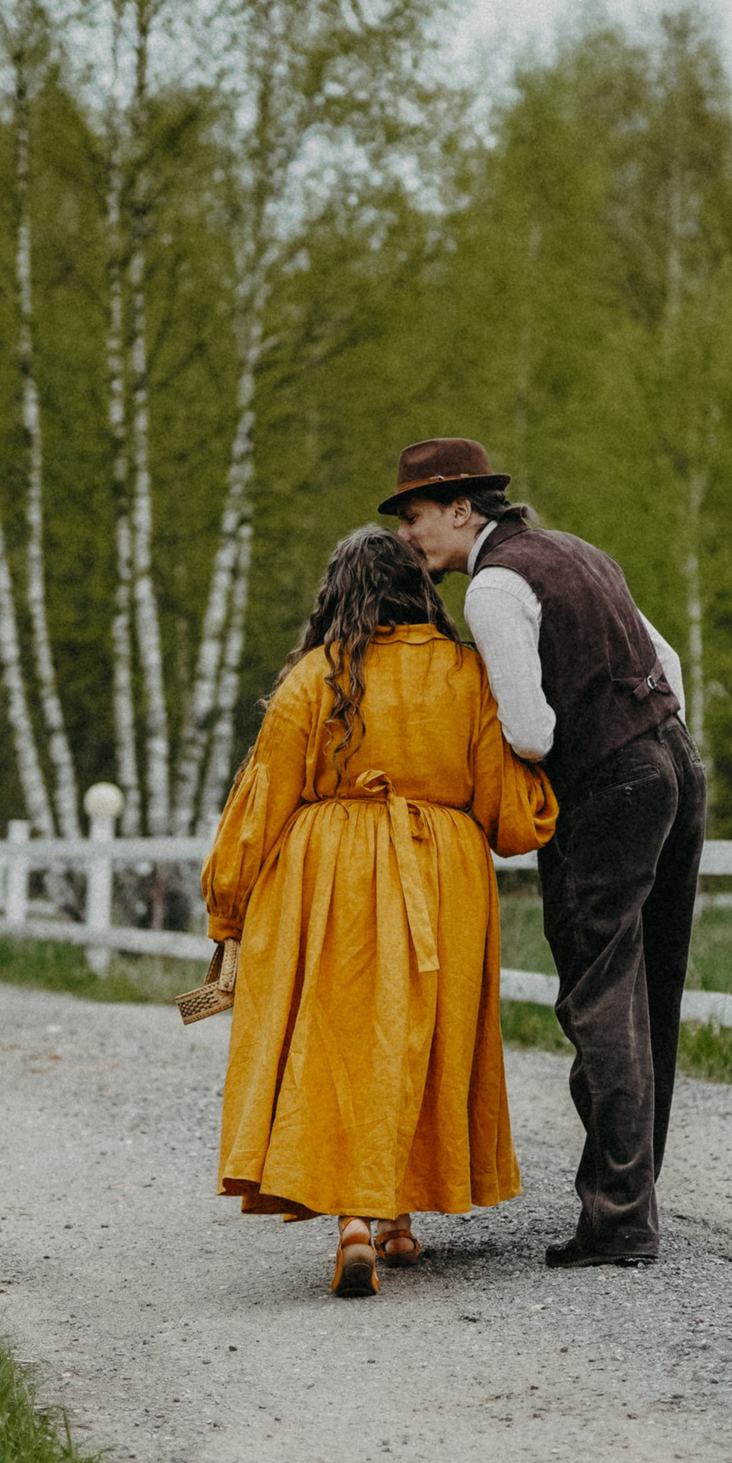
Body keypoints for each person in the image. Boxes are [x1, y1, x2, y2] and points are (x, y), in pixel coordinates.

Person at [202, 526, 557, 1298]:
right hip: (443, 875)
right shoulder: (466, 674)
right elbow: (510, 818)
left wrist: (228, 913)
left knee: (345, 1042)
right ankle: (394, 1219)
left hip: (330, 879)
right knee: (419, 1040)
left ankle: (355, 1221)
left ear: (336, 594)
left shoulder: (312, 678)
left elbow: (260, 806)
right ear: (418, 591)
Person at [386, 438, 705, 1269]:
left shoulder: (494, 586)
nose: (410, 536)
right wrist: (654, 747)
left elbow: (530, 730)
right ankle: (632, 1193)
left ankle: (620, 1218)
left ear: (463, 508)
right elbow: (666, 660)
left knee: (599, 993)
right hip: (671, 756)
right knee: (653, 984)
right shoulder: (578, 552)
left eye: (415, 517)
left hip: (607, 785)